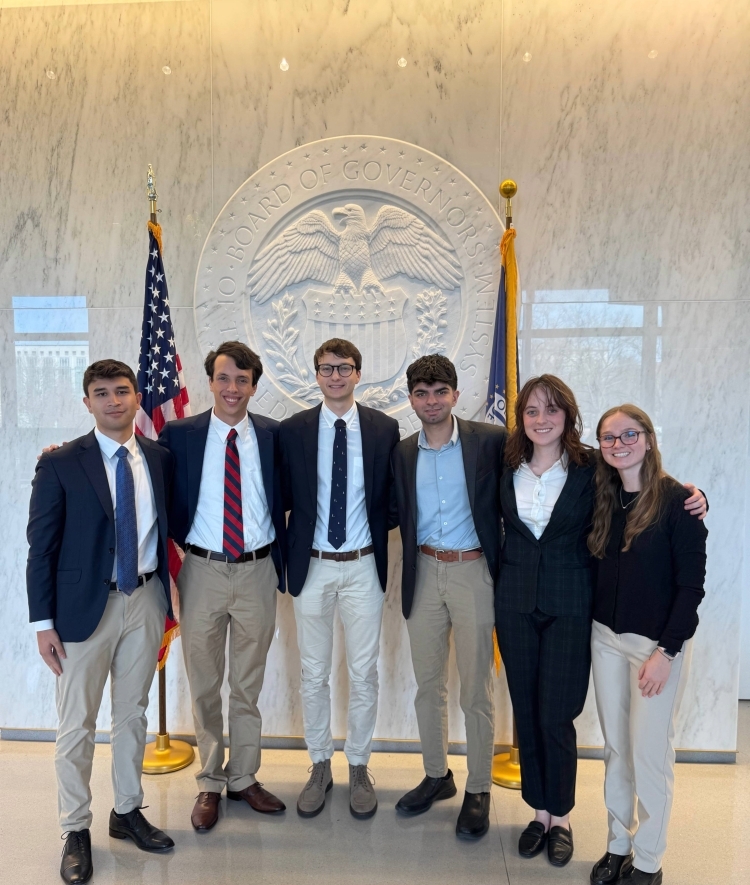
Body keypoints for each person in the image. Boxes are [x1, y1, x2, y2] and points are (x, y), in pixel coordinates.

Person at [494, 376, 707, 871]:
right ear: (521, 418)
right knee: (527, 712)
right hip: (518, 604)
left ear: (569, 416)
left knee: (558, 715)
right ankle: (540, 812)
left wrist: (693, 495)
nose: (541, 419)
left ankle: (563, 818)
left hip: (573, 607)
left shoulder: (593, 466)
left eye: (552, 410)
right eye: (531, 411)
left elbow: (649, 487)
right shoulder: (503, 464)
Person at [27, 360, 176, 885]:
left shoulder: (158, 457)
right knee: (77, 727)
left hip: (144, 600)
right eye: (101, 393)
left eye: (122, 390)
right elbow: (39, 548)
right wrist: (43, 622)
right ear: (86, 401)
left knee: (132, 715)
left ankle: (128, 811)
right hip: (80, 613)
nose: (113, 401)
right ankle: (75, 828)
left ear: (137, 397)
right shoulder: (62, 463)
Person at [158, 341, 287, 831]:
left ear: (254, 386)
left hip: (257, 570)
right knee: (206, 682)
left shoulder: (274, 436)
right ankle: (210, 782)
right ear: (210, 381)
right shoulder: (179, 435)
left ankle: (244, 777)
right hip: (202, 571)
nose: (232, 388)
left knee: (247, 684)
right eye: (223, 378)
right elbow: (138, 464)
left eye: (242, 380)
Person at [279, 338, 400, 820]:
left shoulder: (383, 428)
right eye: (326, 368)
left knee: (363, 671)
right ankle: (318, 763)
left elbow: (393, 495)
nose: (335, 376)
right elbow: (280, 494)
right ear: (316, 374)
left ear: (357, 373)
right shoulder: (293, 431)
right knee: (313, 671)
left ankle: (360, 764)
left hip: (364, 566)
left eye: (344, 368)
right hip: (311, 565)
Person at [588, 404, 707, 885]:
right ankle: (618, 844)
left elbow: (691, 588)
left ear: (649, 439)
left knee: (649, 754)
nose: (619, 445)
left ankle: (649, 860)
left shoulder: (680, 502)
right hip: (604, 639)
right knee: (616, 748)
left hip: (656, 648)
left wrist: (667, 653)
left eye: (628, 434)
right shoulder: (601, 496)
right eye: (608, 438)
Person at [391, 354, 506, 839]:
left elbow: (549, 464)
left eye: (440, 392)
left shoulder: (491, 441)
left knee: (475, 689)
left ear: (456, 395)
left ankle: (478, 787)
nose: (431, 401)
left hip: (474, 571)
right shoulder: (402, 452)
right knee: (428, 685)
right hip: (423, 570)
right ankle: (437, 775)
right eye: (421, 393)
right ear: (411, 398)